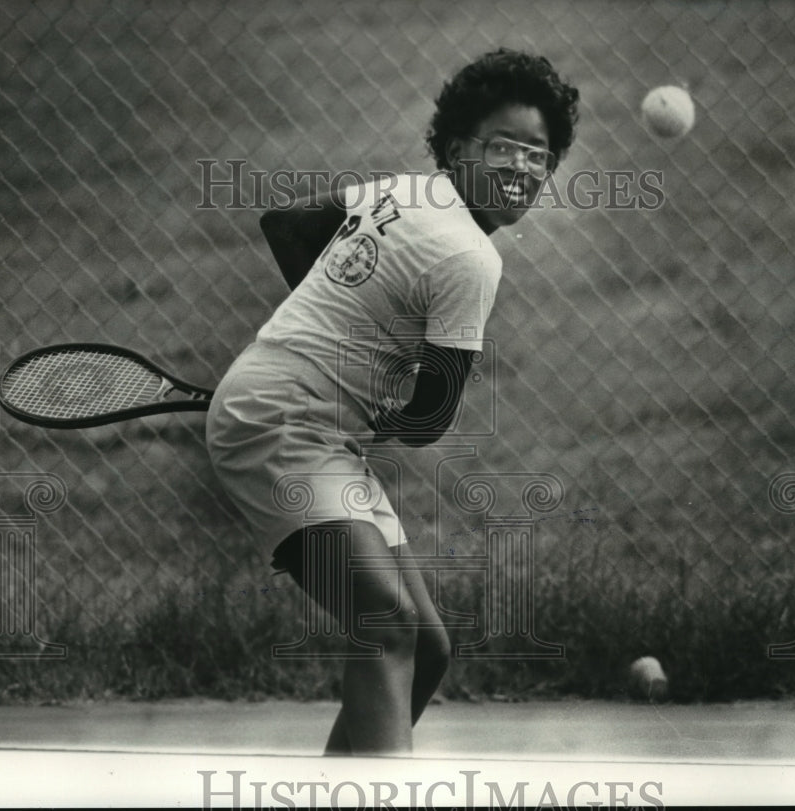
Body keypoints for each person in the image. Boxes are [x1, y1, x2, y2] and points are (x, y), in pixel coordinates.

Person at [206, 48, 578, 755]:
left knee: (426, 647)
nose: (525, 168)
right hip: (282, 420)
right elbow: (430, 420)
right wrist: (365, 379)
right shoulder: (472, 257)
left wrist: (343, 335)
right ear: (460, 146)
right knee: (383, 620)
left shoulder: (413, 191)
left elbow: (286, 223)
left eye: (542, 155)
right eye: (506, 148)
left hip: (314, 427)